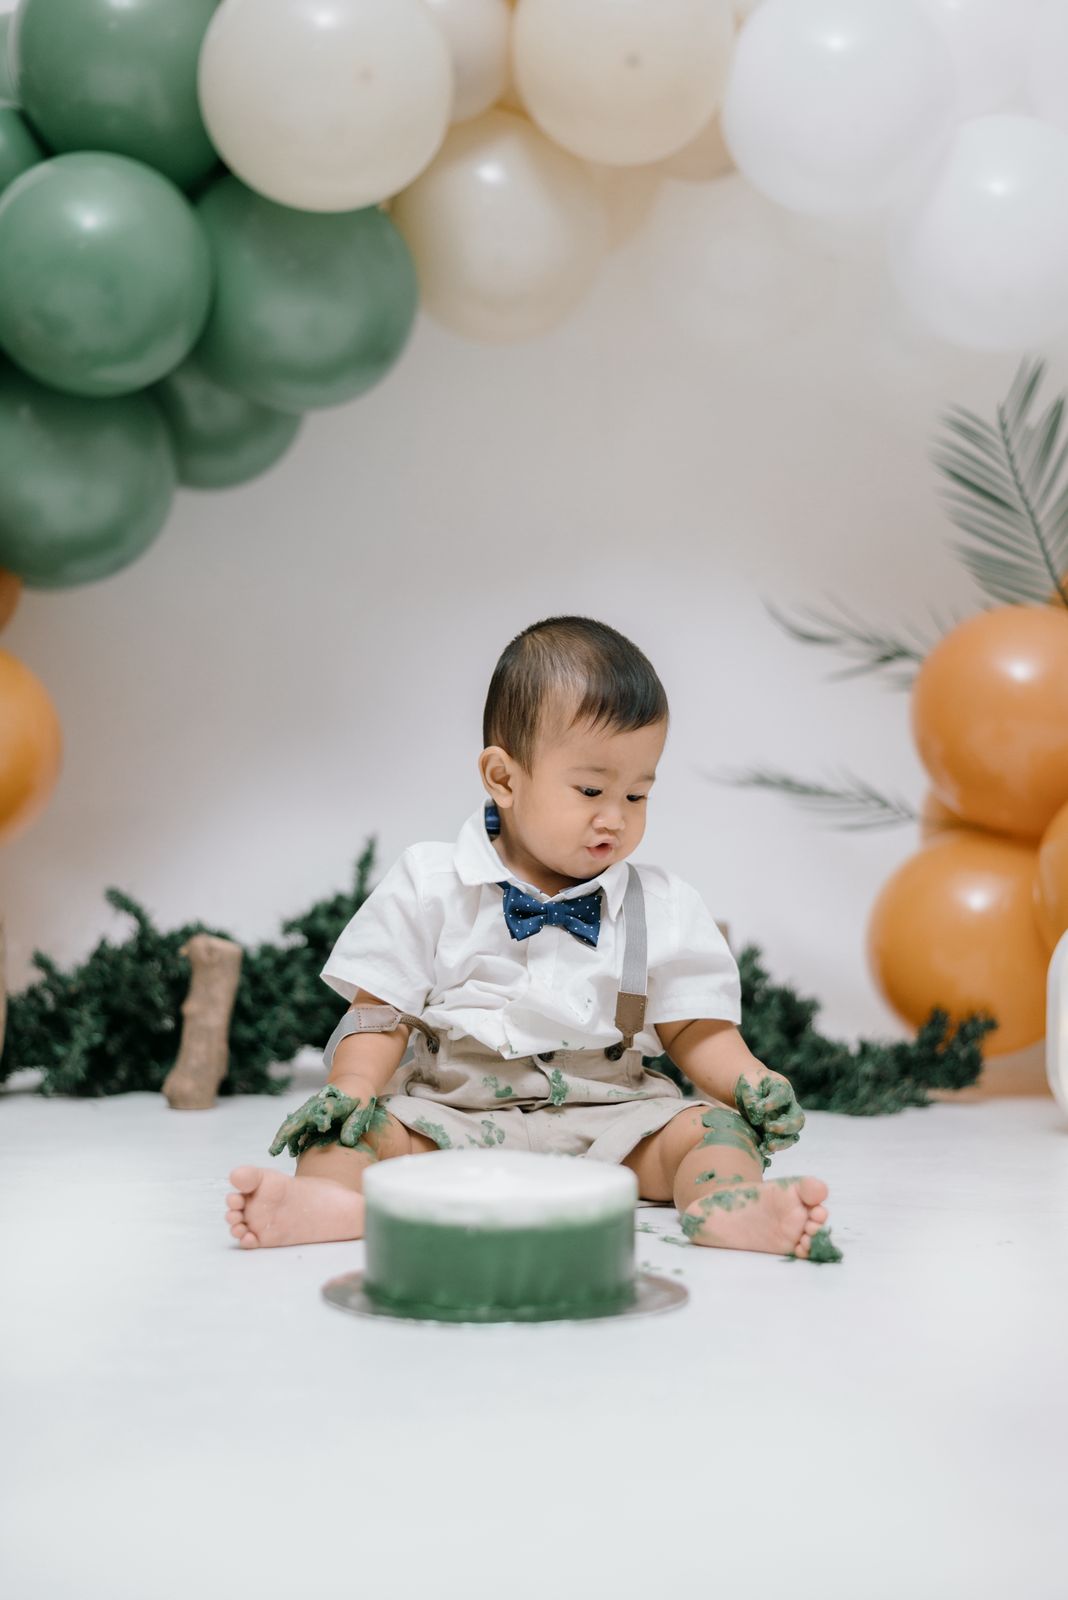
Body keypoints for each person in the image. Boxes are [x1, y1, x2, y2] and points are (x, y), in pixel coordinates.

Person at [225, 615, 830, 1256]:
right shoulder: (431, 884)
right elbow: (379, 1014)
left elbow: (695, 1028)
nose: (615, 817)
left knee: (714, 1132)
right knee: (348, 1135)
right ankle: (329, 1201)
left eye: (637, 795)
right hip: (452, 1114)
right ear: (504, 778)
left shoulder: (661, 905)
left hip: (613, 1117)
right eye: (591, 789)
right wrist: (350, 1087)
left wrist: (749, 1079)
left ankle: (725, 1206)